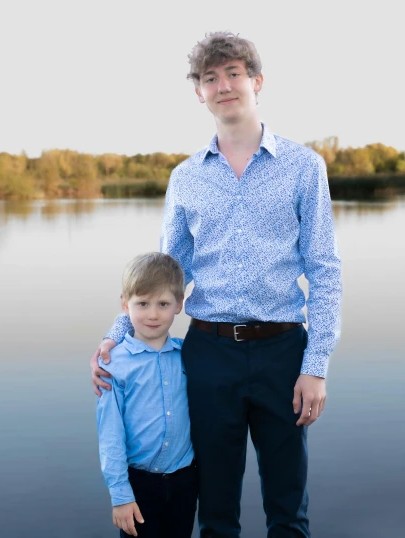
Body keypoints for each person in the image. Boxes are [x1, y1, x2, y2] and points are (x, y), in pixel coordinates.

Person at [91, 31, 342, 538]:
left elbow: (325, 270)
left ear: (256, 82)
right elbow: (165, 273)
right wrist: (118, 334)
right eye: (210, 77)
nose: (223, 85)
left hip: (282, 351)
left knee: (289, 509)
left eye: (233, 73)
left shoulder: (303, 167)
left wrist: (315, 365)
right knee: (217, 510)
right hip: (208, 355)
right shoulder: (186, 177)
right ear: (199, 93)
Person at [96, 252, 198, 538]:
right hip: (138, 485)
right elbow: (110, 435)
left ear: (179, 305)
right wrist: (120, 495)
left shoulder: (188, 356)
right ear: (125, 305)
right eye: (142, 304)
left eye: (163, 304)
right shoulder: (113, 365)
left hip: (184, 481)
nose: (153, 314)